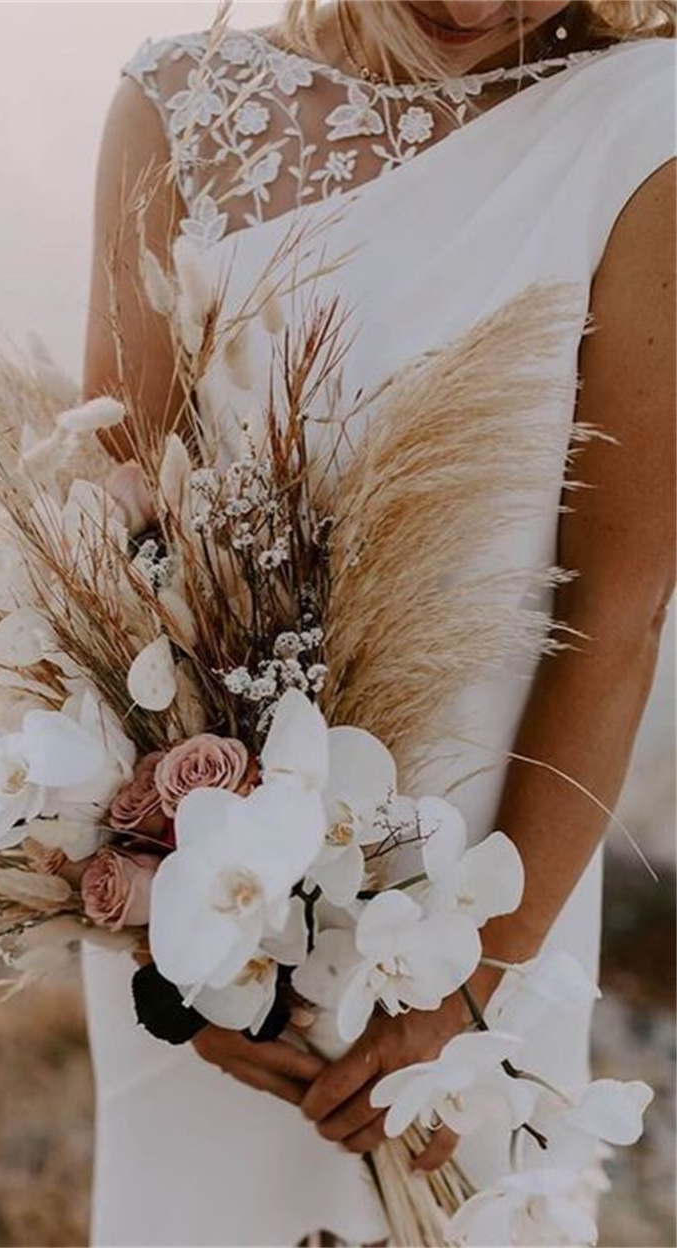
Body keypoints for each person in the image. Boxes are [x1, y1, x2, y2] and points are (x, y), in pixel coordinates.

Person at [80, 2, 676, 1244]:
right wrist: (173, 953)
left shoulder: (640, 122)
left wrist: (467, 992)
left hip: (479, 890)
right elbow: (104, 550)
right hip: (199, 886)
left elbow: (618, 610)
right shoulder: (177, 106)